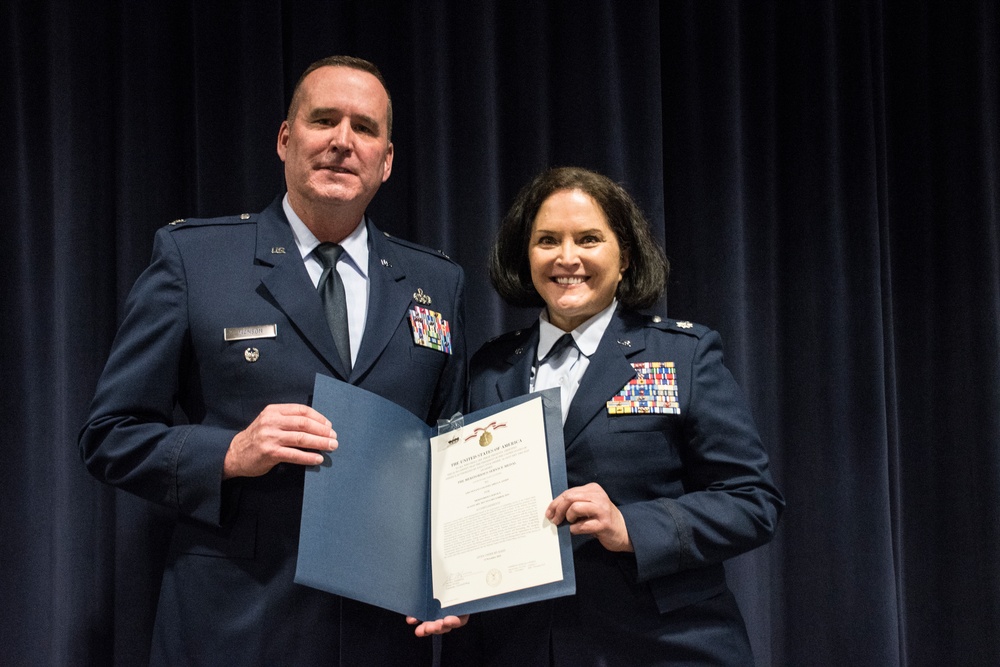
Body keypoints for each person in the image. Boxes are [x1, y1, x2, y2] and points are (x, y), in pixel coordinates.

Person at [79, 56, 466, 666]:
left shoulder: (436, 281)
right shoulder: (195, 260)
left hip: (385, 636)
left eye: (364, 128)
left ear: (386, 161)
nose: (342, 141)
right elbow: (109, 436)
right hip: (236, 627)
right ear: (286, 139)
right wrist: (229, 454)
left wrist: (459, 571)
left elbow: (452, 447)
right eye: (323, 120)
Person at [441, 167, 784, 666]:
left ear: (624, 256)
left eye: (588, 239)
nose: (567, 258)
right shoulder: (489, 368)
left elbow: (754, 501)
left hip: (661, 646)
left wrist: (631, 526)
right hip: (518, 646)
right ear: (526, 255)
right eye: (547, 241)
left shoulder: (682, 354)